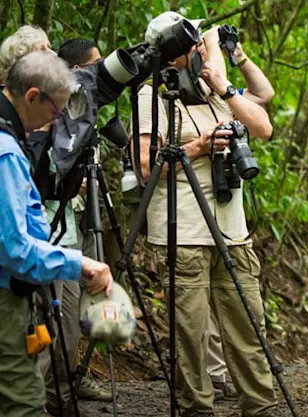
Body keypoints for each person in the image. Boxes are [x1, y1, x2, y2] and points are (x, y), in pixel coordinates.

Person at [133, 11, 275, 417]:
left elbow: (263, 126)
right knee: (191, 335)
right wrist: (198, 147)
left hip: (231, 230)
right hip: (185, 230)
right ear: (174, 53)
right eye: (193, 45)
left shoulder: (213, 91)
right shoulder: (152, 97)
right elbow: (145, 168)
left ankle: (260, 407)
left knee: (248, 324)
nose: (200, 50)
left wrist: (223, 77)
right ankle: (198, 408)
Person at [0, 50, 113, 417]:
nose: (59, 119)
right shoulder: (6, 153)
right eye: (55, 109)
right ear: (32, 96)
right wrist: (79, 264)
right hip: (5, 296)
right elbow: (14, 248)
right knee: (23, 403)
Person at [202, 33, 275, 402]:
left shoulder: (227, 97)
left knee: (235, 302)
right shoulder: (180, 98)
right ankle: (212, 378)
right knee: (204, 311)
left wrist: (239, 58)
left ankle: (225, 378)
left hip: (231, 217)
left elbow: (265, 96)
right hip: (194, 216)